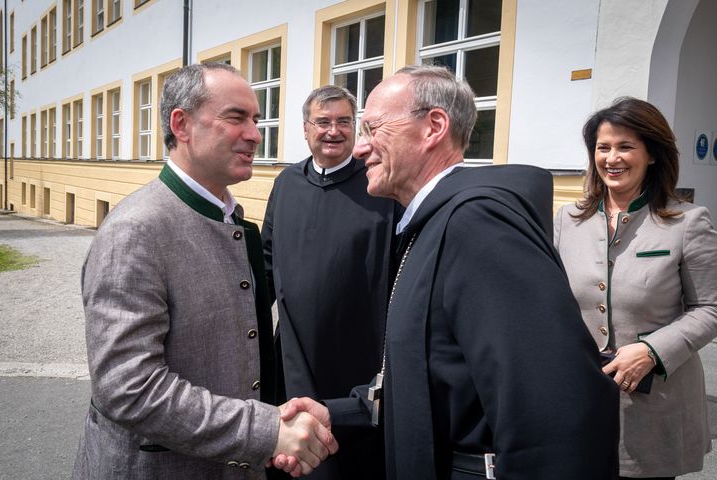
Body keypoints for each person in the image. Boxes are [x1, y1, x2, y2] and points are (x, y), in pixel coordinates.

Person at [278, 65, 620, 479]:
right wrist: (338, 412)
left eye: (372, 129)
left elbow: (554, 410)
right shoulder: (432, 222)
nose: (360, 148)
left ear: (433, 127)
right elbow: (440, 380)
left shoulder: (478, 224)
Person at [71, 63, 337, 480]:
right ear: (182, 124)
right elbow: (129, 388)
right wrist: (265, 430)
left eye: (255, 118)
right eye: (236, 117)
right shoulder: (136, 230)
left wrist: (276, 423)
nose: (254, 133)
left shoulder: (226, 216)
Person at [554, 97, 717, 479]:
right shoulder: (568, 220)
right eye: (603, 147)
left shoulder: (688, 222)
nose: (612, 158)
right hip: (581, 401)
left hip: (655, 402)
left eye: (626, 146)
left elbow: (710, 307)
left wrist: (651, 350)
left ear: (653, 154)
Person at [262, 85, 398, 480]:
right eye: (323, 122)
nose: (333, 131)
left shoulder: (380, 186)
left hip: (360, 356)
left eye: (343, 122)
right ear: (306, 129)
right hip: (295, 354)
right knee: (293, 459)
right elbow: (268, 263)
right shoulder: (286, 184)